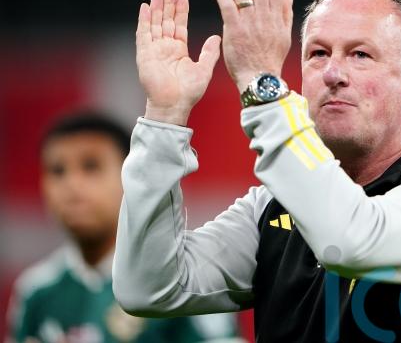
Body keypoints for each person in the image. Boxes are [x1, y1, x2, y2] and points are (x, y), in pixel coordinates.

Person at [113, 0, 401, 342]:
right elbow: (149, 287)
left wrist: (261, 86)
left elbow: (350, 241)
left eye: (360, 54)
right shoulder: (271, 209)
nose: (333, 73)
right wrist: (165, 117)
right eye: (318, 53)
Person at [6, 113, 243, 343]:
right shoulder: (36, 292)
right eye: (58, 171)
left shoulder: (183, 278)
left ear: (130, 176)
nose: (71, 184)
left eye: (91, 166)